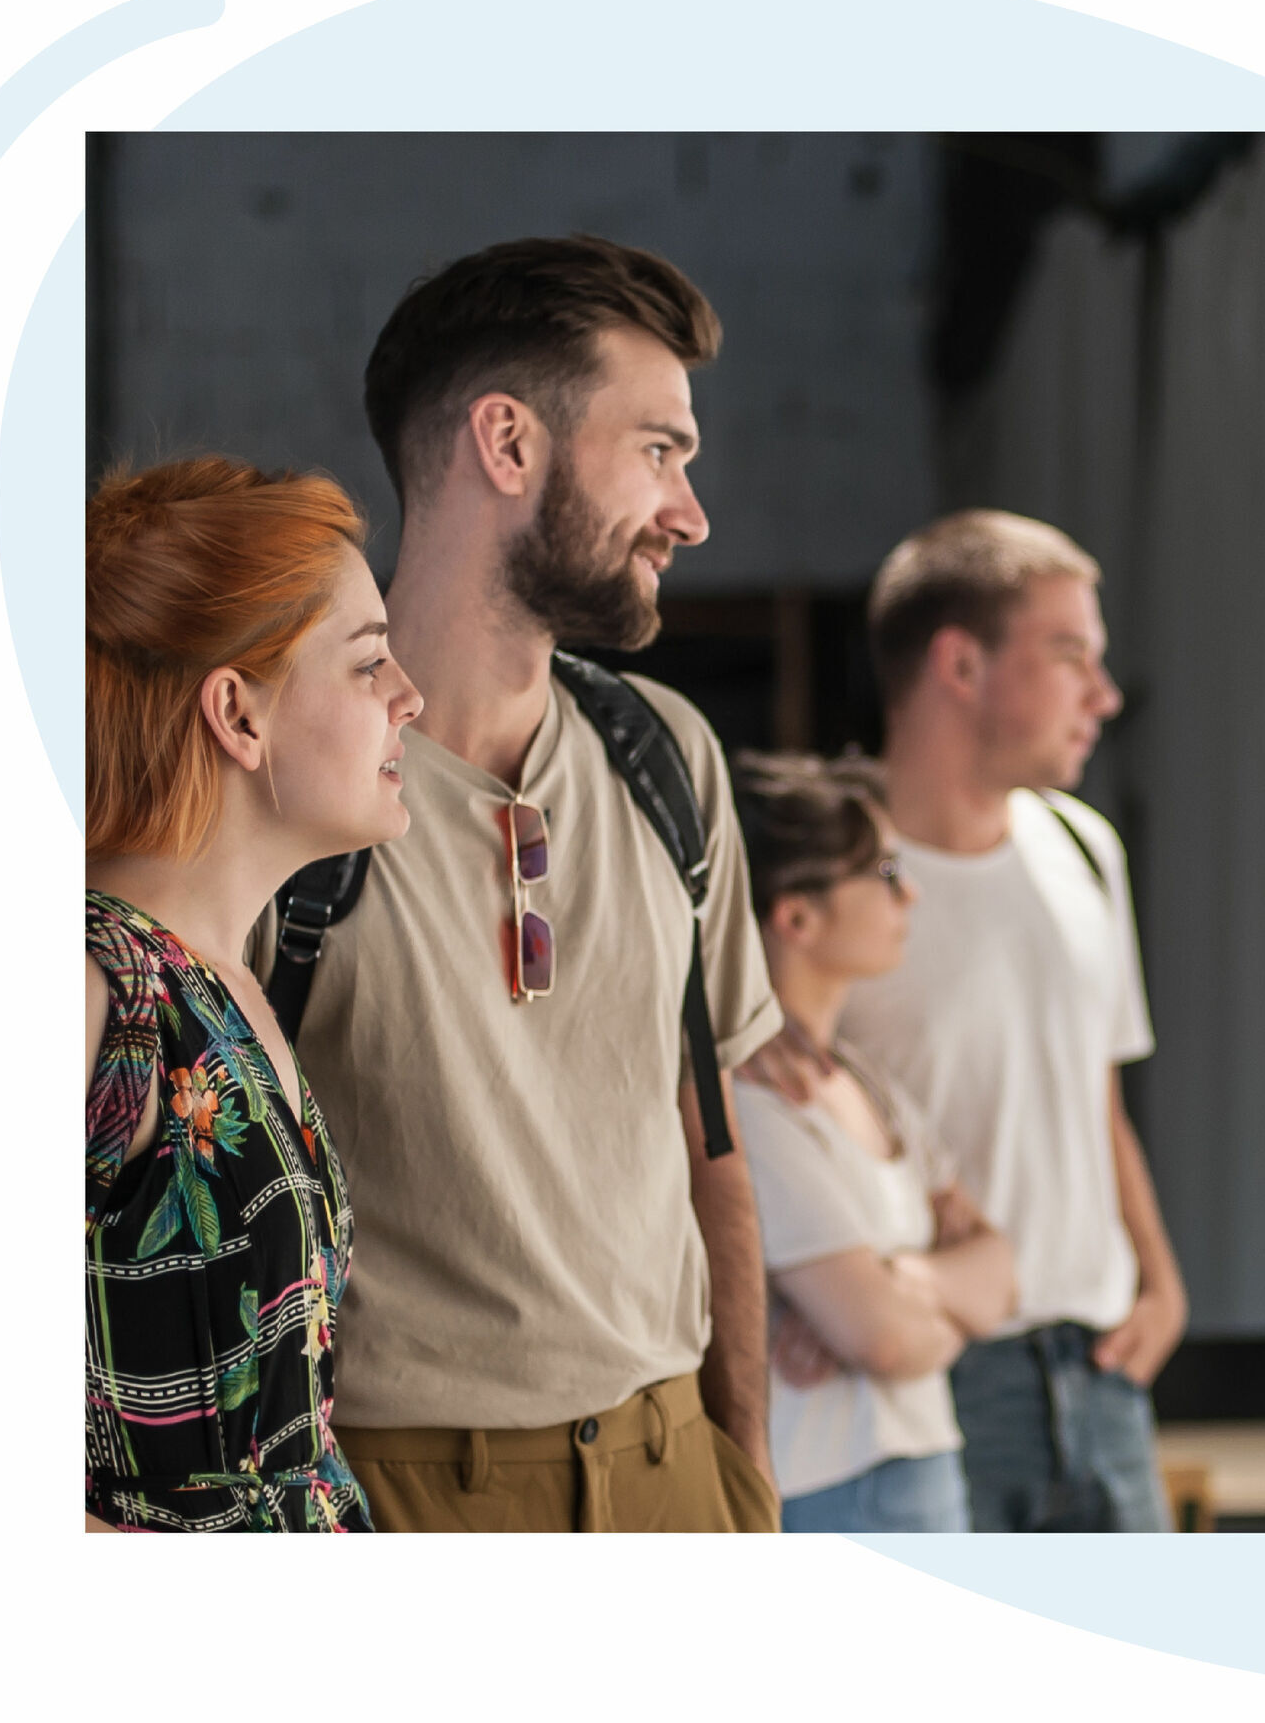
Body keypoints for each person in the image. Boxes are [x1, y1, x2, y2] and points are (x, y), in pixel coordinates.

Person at [254, 235, 783, 1531]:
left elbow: (707, 1134)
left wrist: (747, 1470)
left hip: (678, 1470)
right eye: (658, 449)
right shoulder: (274, 771)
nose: (690, 511)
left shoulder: (670, 757)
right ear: (508, 442)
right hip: (408, 1491)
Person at [748, 510, 1188, 1531]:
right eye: (1070, 653)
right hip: (929, 1380)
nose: (1105, 696)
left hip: (1104, 1362)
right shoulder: (833, 893)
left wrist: (1163, 1290)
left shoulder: (1085, 849)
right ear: (960, 663)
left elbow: (1095, 1099)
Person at [85, 457, 424, 1531]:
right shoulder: (95, 985)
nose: (409, 697)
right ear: (237, 712)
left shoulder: (234, 980)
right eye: (370, 663)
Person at [732, 751, 1015, 1532]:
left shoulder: (864, 1080)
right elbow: (883, 1338)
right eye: (885, 873)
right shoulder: (754, 1099)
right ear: (797, 917)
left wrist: (895, 1275)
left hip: (922, 1465)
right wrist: (931, 1304)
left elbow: (1001, 1275)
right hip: (831, 1488)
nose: (911, 893)